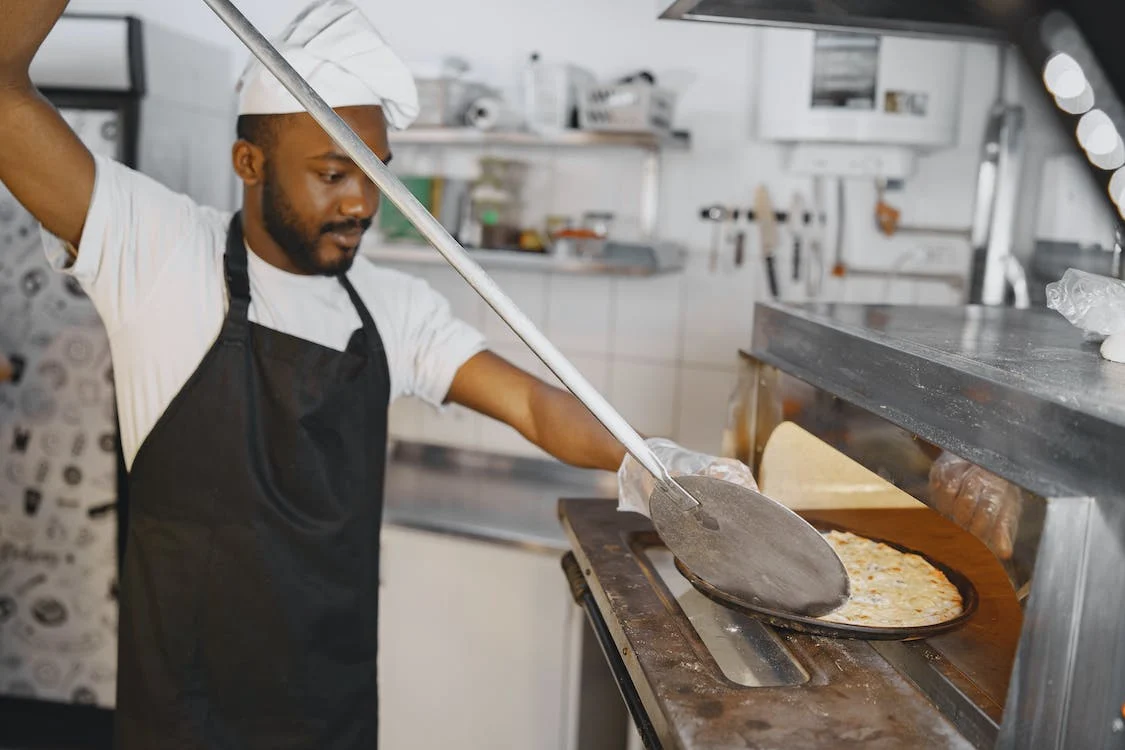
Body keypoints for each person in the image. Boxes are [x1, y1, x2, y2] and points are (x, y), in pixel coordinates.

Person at [0, 1, 745, 747]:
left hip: (333, 704)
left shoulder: (390, 304)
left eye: (375, 176)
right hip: (191, 715)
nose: (362, 203)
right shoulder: (158, 254)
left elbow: (531, 403)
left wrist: (651, 464)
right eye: (333, 172)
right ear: (250, 163)